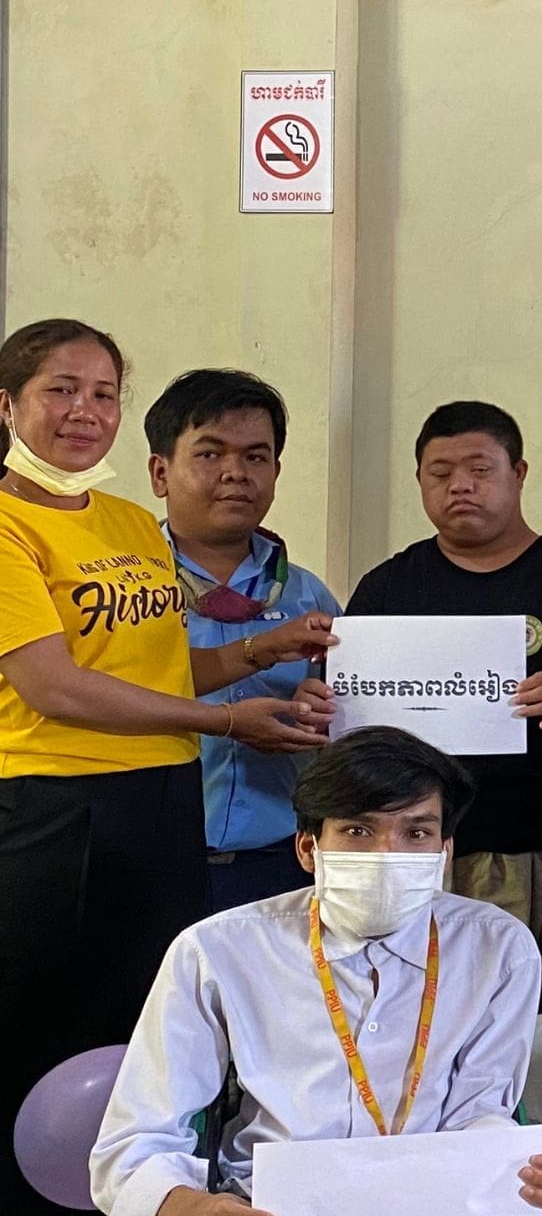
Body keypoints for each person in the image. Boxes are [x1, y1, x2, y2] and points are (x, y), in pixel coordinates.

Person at [0, 320, 331, 1216]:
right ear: (10, 407)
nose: (83, 412)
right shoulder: (6, 526)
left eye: (103, 393)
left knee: (147, 1038)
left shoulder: (123, 527)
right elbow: (55, 685)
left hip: (160, 804)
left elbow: (149, 667)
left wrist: (257, 652)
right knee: (35, 1038)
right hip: (51, 811)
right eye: (61, 390)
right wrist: (232, 720)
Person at [92, 727, 542, 1216]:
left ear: (445, 852)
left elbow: (481, 1112)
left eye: (416, 833)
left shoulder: (499, 947)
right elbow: (133, 1139)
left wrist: (522, 1166)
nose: (387, 855)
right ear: (309, 848)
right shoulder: (216, 952)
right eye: (357, 831)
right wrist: (184, 1211)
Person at [345, 401, 542, 929]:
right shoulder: (386, 586)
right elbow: (348, 712)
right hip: (409, 844)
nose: (460, 487)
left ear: (517, 474)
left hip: (538, 845)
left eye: (479, 470)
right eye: (440, 473)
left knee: (533, 991)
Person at [146, 368, 346, 912]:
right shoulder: (125, 588)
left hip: (283, 863)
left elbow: (353, 726)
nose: (236, 473)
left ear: (276, 471)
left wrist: (322, 713)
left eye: (256, 457)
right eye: (210, 455)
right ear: (160, 472)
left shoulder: (310, 598)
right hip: (147, 858)